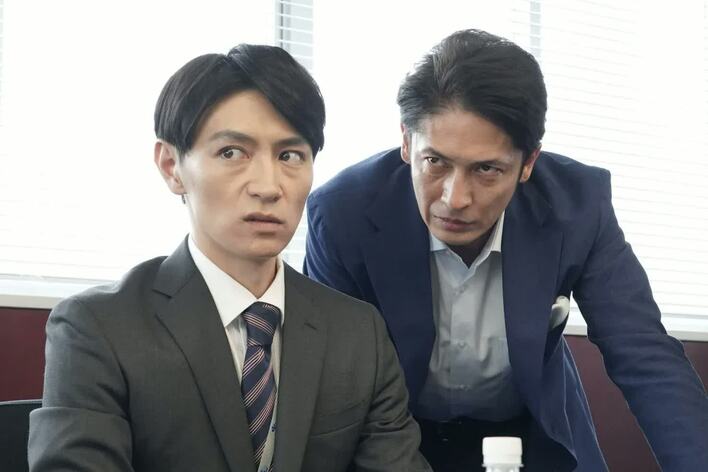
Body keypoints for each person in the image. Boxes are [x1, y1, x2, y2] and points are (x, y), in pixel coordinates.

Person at [304, 29, 708, 471]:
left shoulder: (576, 207)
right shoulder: (343, 214)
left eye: (486, 169)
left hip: (531, 437)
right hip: (397, 438)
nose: (455, 199)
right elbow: (336, 386)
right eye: (435, 161)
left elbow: (645, 355)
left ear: (528, 162)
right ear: (406, 141)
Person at [28, 44, 430, 472]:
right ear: (171, 166)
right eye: (232, 153)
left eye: (289, 156)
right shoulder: (99, 328)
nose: (267, 186)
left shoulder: (360, 333)